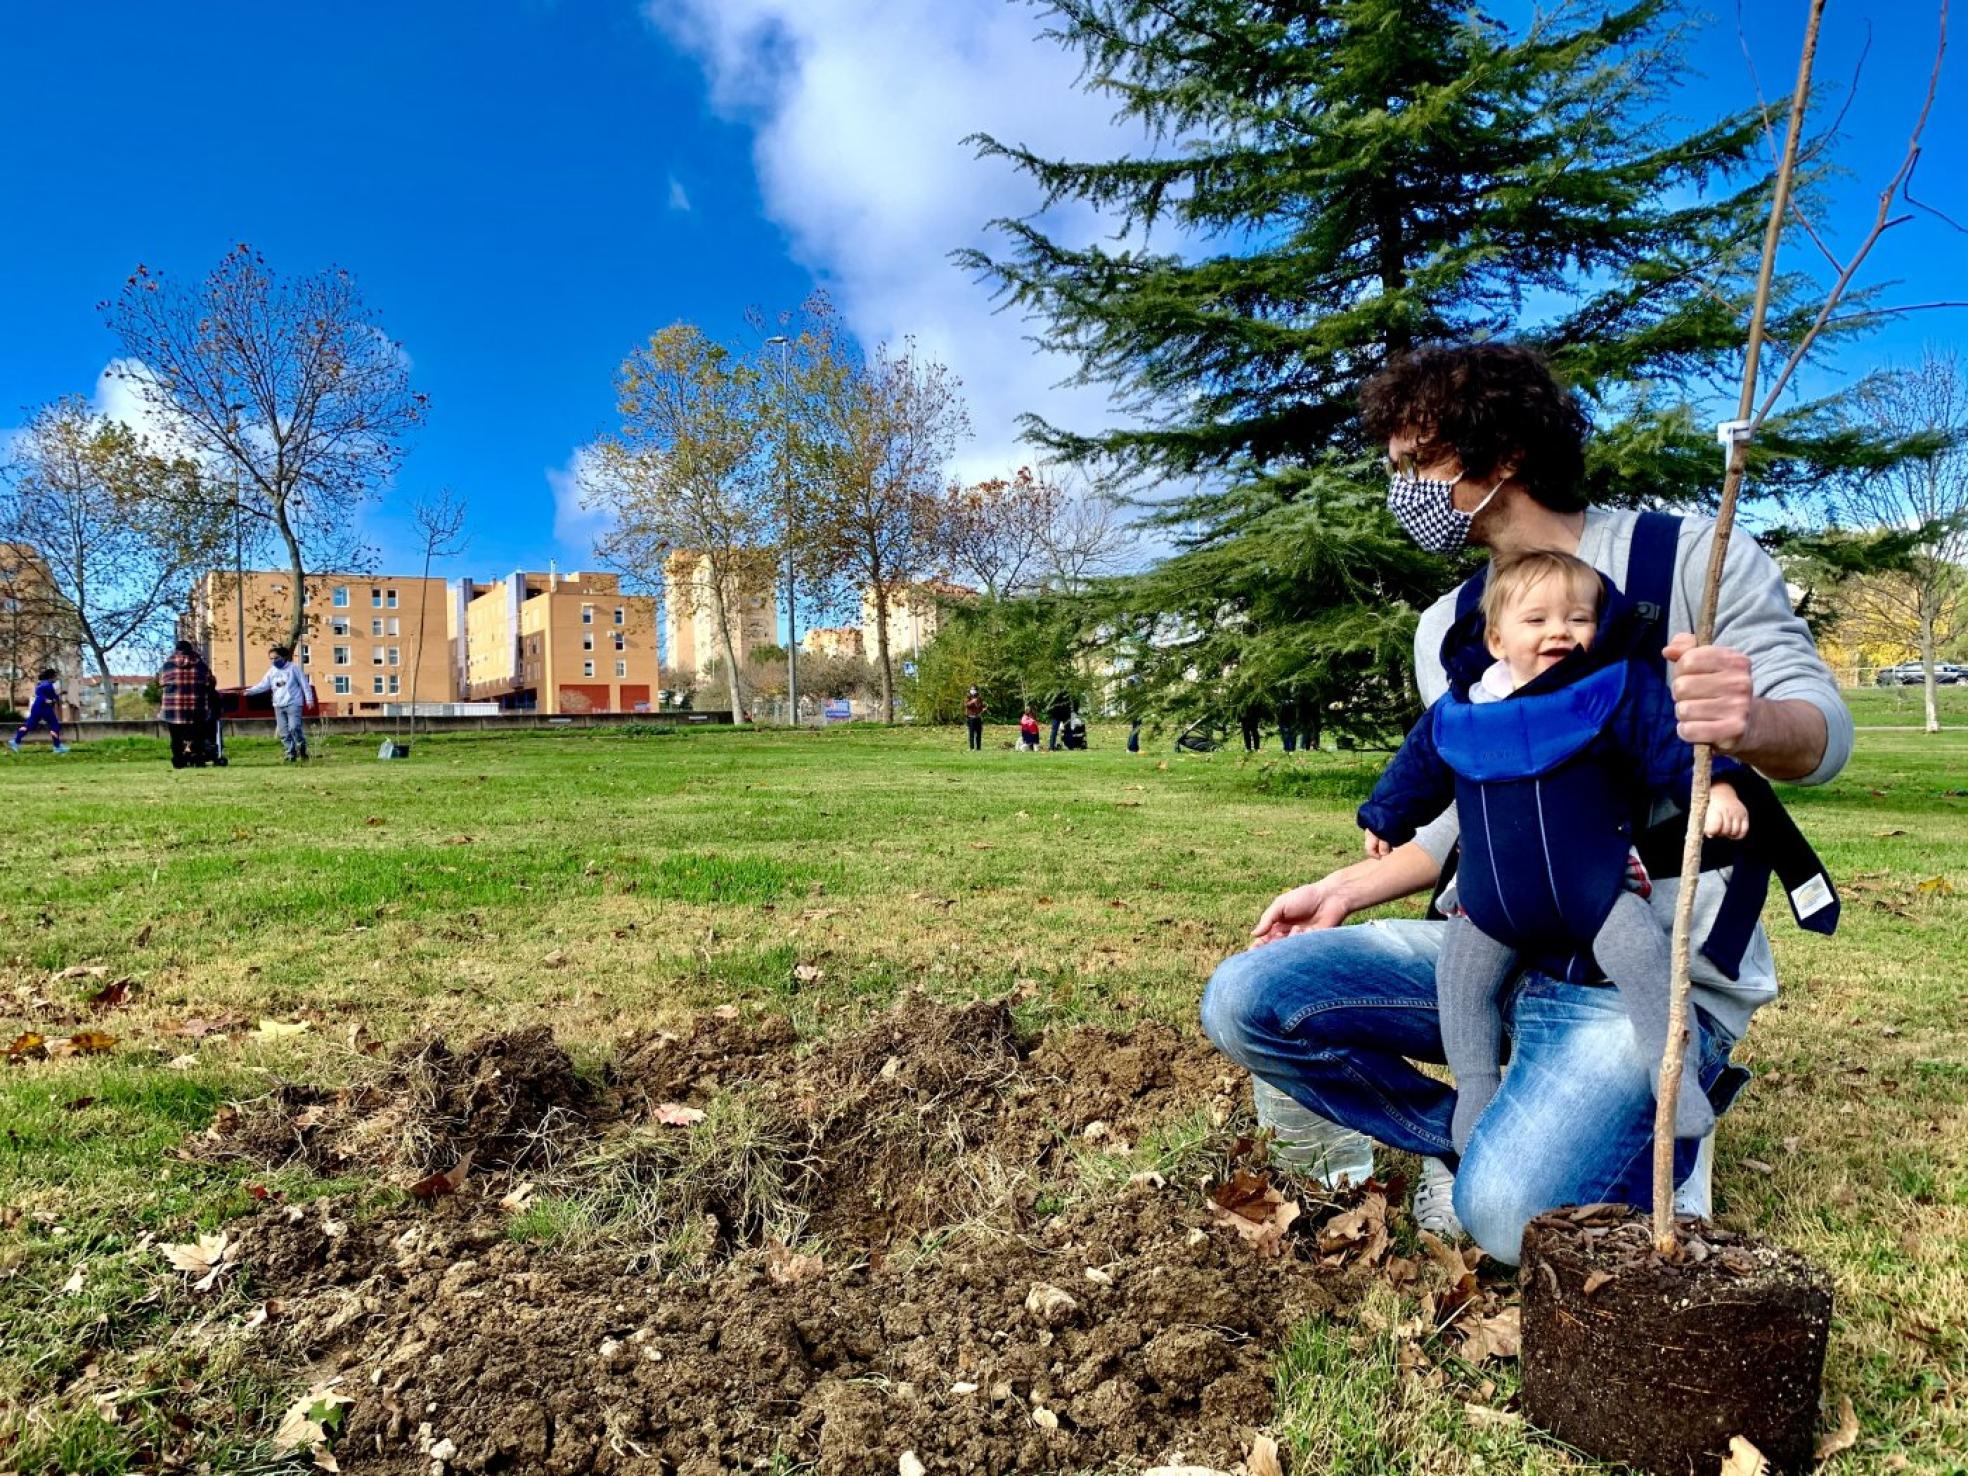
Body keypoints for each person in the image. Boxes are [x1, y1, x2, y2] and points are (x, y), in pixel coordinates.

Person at [1199, 343, 1852, 1263]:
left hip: (1648, 965)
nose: (1402, 490)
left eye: (1414, 465)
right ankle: (1481, 1127)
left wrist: (1745, 721)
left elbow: (1824, 732)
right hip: (1500, 943)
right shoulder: (1451, 630)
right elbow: (1470, 817)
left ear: (1496, 456)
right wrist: (1348, 885)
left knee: (1505, 1221)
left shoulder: (1688, 561)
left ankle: (1639, 1123)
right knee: (1246, 999)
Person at [1355, 549, 1830, 1155]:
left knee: (1644, 965)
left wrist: (1720, 788)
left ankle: (1674, 1081)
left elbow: (1671, 744)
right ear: (1496, 638)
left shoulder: (1612, 691)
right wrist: (1385, 817)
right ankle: (1475, 1094)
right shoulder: (1459, 714)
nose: (1560, 630)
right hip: (1488, 903)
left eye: (1578, 619)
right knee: (1462, 986)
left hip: (1598, 891)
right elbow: (1414, 772)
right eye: (1537, 620)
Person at [245, 644, 315, 762]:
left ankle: (302, 749)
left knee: (294, 727)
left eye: (276, 658)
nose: (273, 661)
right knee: (284, 732)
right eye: (271, 659)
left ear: (283, 657)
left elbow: (304, 684)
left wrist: (309, 699)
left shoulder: (293, 668)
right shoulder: (272, 671)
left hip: (294, 703)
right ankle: (290, 754)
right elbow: (263, 685)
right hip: (278, 705)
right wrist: (249, 692)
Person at [159, 640, 220, 768]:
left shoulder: (167, 665)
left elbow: (161, 682)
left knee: (176, 737)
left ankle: (178, 760)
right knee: (198, 736)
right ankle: (197, 758)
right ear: (191, 650)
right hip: (196, 707)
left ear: (176, 650)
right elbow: (210, 682)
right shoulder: (201, 665)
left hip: (173, 708)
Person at [9, 668, 69, 754]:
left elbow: (40, 695)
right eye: (55, 676)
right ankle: (57, 747)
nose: (56, 678)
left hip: (36, 707)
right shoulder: (49, 685)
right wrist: (57, 698)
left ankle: (15, 741)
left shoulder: (39, 684)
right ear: (51, 677)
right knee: (54, 725)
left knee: (29, 726)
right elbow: (54, 698)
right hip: (45, 708)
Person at [964, 686, 985, 752]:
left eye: (974, 689)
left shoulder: (979, 698)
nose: (973, 691)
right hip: (971, 718)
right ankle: (971, 748)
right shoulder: (968, 698)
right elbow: (967, 705)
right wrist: (972, 701)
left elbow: (980, 707)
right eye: (972, 689)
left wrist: (983, 709)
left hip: (978, 717)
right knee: (971, 734)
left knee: (979, 734)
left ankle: (978, 748)